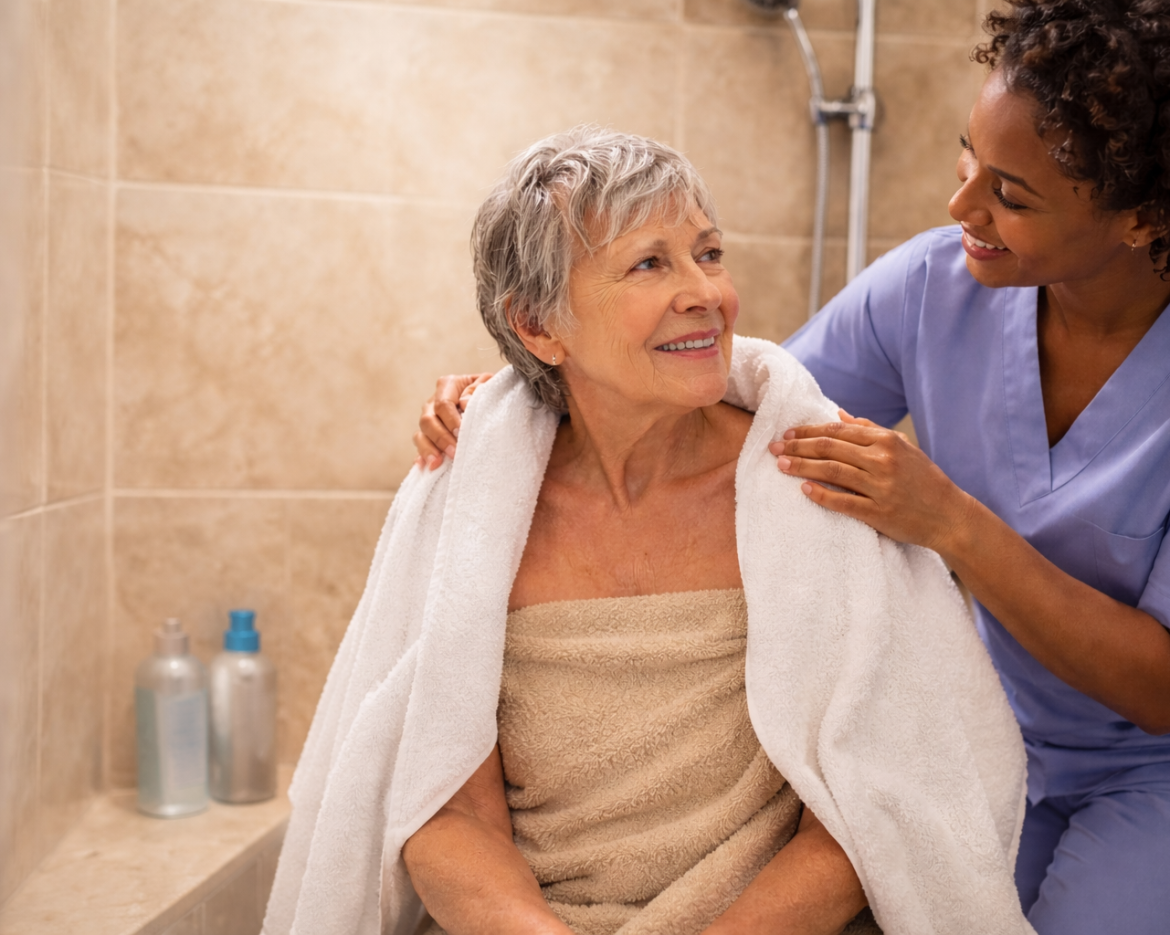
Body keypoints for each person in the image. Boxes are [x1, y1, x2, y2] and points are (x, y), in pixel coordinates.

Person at [414, 4, 1170, 934]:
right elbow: (742, 388)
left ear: (1140, 217)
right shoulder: (935, 286)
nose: (960, 208)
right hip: (993, 735)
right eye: (966, 159)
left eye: (1011, 195)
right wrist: (521, 387)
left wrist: (951, 523)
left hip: (1147, 767)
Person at [267, 127, 1037, 935]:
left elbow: (875, 805)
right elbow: (443, 808)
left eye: (708, 253)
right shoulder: (475, 505)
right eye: (649, 263)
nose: (705, 291)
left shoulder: (809, 484)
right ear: (536, 326)